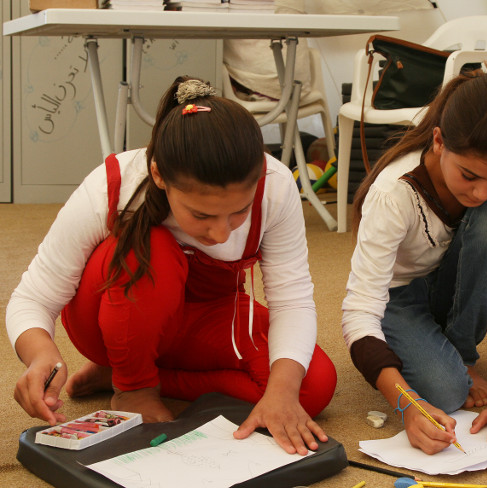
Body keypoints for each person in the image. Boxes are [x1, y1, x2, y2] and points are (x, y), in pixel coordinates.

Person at [6, 76, 337, 455]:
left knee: (311, 386)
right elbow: (33, 297)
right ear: (160, 175)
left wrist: (281, 392)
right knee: (150, 247)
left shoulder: (276, 188)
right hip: (112, 316)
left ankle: (130, 375)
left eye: (239, 212)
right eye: (202, 215)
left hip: (206, 315)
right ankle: (132, 384)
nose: (221, 232)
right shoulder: (112, 183)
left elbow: (292, 301)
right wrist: (39, 355)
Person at [342, 65, 487, 455]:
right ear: (438, 141)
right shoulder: (393, 192)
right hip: (398, 298)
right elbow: (359, 312)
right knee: (445, 392)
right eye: (469, 174)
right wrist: (408, 405)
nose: (483, 191)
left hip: (457, 283)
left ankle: (460, 352)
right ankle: (452, 362)